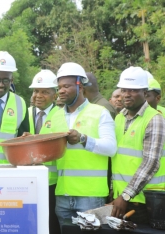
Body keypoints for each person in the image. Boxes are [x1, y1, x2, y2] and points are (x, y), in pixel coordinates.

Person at [49, 62, 117, 228]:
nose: (62, 91)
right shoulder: (55, 116)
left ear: (80, 85)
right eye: (59, 87)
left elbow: (111, 148)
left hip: (90, 196)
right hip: (63, 194)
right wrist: (31, 139)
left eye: (67, 86)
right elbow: (45, 149)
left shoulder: (100, 112)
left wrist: (83, 139)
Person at [110, 67, 165, 224]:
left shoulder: (154, 119)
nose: (127, 94)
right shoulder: (120, 117)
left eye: (133, 90)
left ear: (145, 93)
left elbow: (151, 162)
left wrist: (126, 195)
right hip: (121, 200)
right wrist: (115, 195)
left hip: (145, 202)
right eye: (124, 89)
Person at [27, 70, 61, 234]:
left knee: (50, 225)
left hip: (52, 184)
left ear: (55, 95)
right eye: (35, 91)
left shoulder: (61, 115)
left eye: (44, 92)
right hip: (27, 181)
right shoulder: (25, 114)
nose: (38, 95)